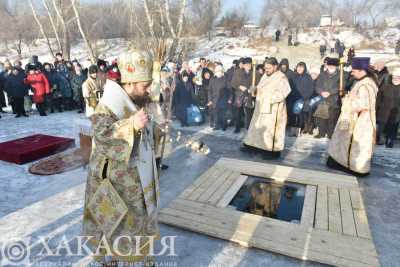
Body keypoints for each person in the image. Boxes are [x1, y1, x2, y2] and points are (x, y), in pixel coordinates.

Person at [82, 50, 162, 266]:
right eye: (145, 86)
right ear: (132, 82)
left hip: (135, 179)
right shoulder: (108, 104)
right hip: (116, 183)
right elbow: (103, 135)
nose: (148, 90)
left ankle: (138, 258)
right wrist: (132, 126)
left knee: (137, 225)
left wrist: (152, 128)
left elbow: (142, 131)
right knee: (118, 228)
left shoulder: (133, 99)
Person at [327, 57, 378, 176]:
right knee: (343, 144)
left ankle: (354, 168)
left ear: (361, 70)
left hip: (360, 122)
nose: (352, 72)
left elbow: (363, 104)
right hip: (355, 119)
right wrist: (348, 97)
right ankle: (343, 163)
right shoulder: (362, 83)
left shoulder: (366, 86)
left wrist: (347, 100)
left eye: (354, 70)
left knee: (354, 145)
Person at [242, 57, 291, 159]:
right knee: (258, 129)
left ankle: (271, 151)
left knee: (270, 131)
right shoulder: (265, 76)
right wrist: (254, 90)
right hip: (261, 107)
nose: (266, 70)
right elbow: (259, 89)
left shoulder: (281, 77)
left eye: (268, 68)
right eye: (265, 68)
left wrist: (268, 97)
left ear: (275, 66)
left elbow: (285, 92)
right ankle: (254, 146)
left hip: (273, 110)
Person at [314, 58, 340, 138]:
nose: (331, 66)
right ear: (327, 65)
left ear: (336, 66)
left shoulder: (340, 75)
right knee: (321, 117)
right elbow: (317, 86)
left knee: (332, 118)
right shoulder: (322, 75)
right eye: (330, 65)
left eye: (333, 65)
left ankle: (330, 134)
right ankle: (321, 133)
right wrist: (321, 92)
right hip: (322, 98)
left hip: (334, 99)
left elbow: (341, 87)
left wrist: (330, 92)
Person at [376, 68, 400, 148]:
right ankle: (381, 139)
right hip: (383, 112)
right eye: (395, 77)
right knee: (382, 129)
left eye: (398, 77)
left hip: (396, 114)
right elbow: (378, 100)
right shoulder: (385, 87)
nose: (396, 78)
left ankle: (390, 141)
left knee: (392, 129)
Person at [231, 57, 253, 132]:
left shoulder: (254, 73)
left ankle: (248, 127)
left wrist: (253, 89)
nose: (249, 66)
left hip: (249, 96)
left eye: (250, 64)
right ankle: (237, 127)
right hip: (239, 95)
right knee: (238, 112)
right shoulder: (237, 72)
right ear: (243, 65)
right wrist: (239, 86)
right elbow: (233, 83)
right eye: (247, 64)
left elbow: (258, 83)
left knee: (249, 112)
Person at [208, 65, 232, 130]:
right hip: (215, 100)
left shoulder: (225, 79)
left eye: (220, 71)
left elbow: (230, 90)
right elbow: (209, 90)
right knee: (216, 113)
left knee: (223, 114)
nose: (219, 73)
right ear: (215, 72)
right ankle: (217, 125)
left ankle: (224, 125)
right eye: (217, 71)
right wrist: (210, 99)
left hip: (223, 99)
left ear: (222, 72)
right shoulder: (212, 79)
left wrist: (230, 98)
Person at [293, 62, 314, 135]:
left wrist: (305, 96)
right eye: (298, 67)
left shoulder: (308, 77)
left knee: (307, 114)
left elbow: (311, 88)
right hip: (297, 98)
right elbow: (292, 87)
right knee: (299, 115)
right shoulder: (295, 77)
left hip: (306, 98)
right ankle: (301, 128)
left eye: (301, 67)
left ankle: (309, 128)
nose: (299, 69)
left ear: (304, 68)